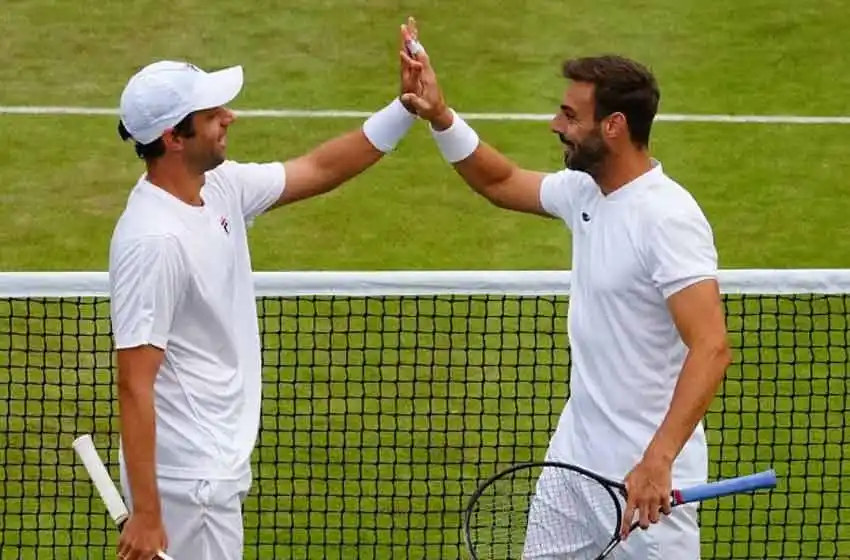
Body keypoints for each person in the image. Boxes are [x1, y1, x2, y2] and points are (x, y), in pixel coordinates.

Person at [400, 19, 732, 559]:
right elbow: (500, 181)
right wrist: (440, 115)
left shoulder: (668, 218)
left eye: (570, 115)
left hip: (644, 485)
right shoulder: (585, 190)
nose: (555, 123)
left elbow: (711, 346)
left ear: (614, 126)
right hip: (572, 463)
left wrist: (658, 460)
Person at [108, 36, 420, 560]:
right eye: (210, 114)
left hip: (211, 467)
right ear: (174, 138)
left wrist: (406, 108)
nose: (228, 116)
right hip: (190, 482)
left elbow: (318, 169)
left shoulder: (219, 187)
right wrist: (147, 513)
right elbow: (135, 382)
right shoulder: (154, 240)